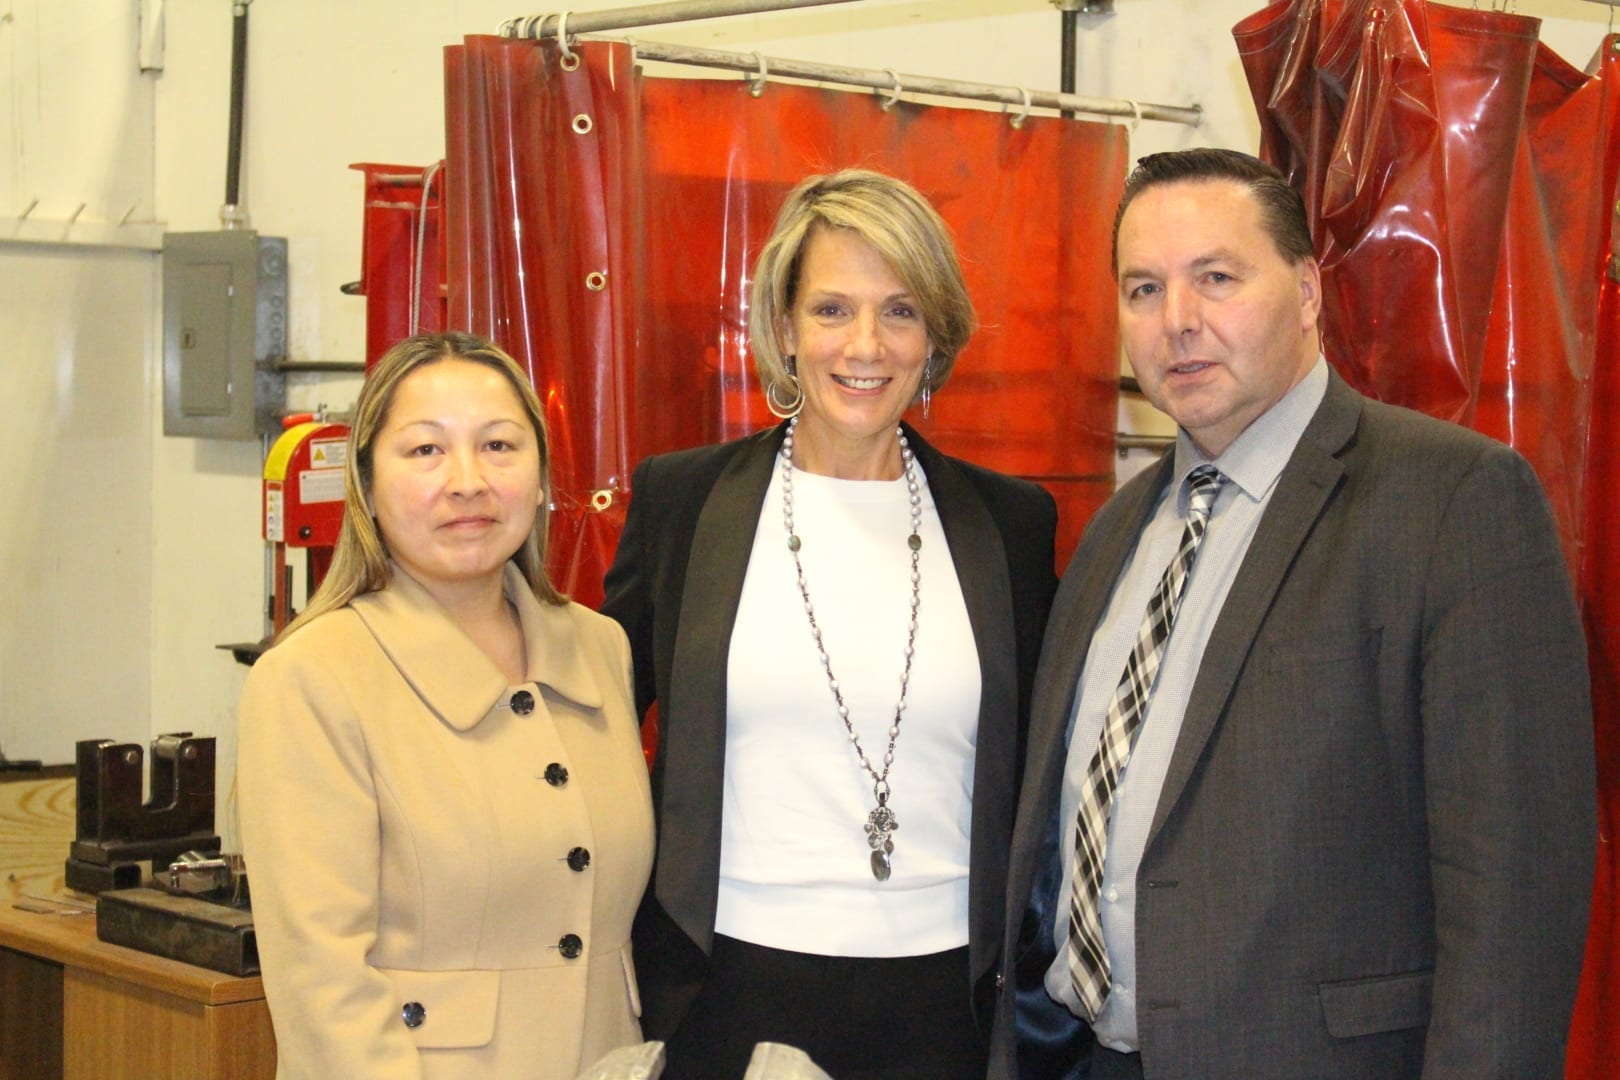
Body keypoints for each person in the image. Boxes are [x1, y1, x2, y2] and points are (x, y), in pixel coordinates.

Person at [992, 148, 1596, 1079]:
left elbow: (1516, 893)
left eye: (1217, 279)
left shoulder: (1454, 501)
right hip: (1083, 1056)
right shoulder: (1119, 528)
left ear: (1309, 292)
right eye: (1144, 288)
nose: (1178, 322)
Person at [601, 168, 1058, 1079]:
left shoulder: (1010, 524)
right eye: (831, 309)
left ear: (936, 337)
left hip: (948, 1004)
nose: (865, 345)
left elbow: (1045, 768)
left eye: (899, 311)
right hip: (728, 986)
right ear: (783, 329)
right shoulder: (682, 502)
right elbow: (593, 722)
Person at [237, 331, 654, 1079]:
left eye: (499, 446)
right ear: (365, 485)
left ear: (540, 476)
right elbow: (322, 986)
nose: (468, 481)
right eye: (426, 451)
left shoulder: (600, 650)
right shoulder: (313, 678)